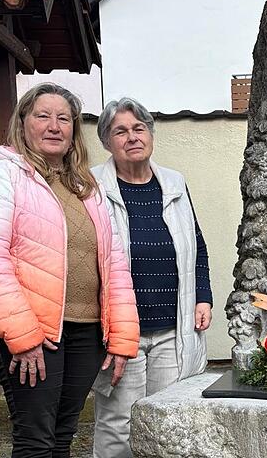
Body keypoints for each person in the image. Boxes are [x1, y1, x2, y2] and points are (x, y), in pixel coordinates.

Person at [0, 83, 139, 458]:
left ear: (74, 129)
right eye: (43, 115)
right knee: (36, 439)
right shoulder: (2, 175)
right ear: (23, 122)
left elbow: (115, 264)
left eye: (64, 118)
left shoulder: (85, 186)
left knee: (63, 435)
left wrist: (123, 337)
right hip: (32, 332)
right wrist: (23, 337)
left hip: (86, 332)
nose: (54, 125)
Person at [91, 97, 214, 458]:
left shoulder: (174, 183)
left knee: (167, 421)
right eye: (120, 131)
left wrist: (202, 296)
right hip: (120, 332)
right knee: (119, 422)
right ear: (107, 142)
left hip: (172, 329)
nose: (132, 137)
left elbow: (197, 246)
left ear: (151, 134)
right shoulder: (93, 187)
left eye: (139, 128)